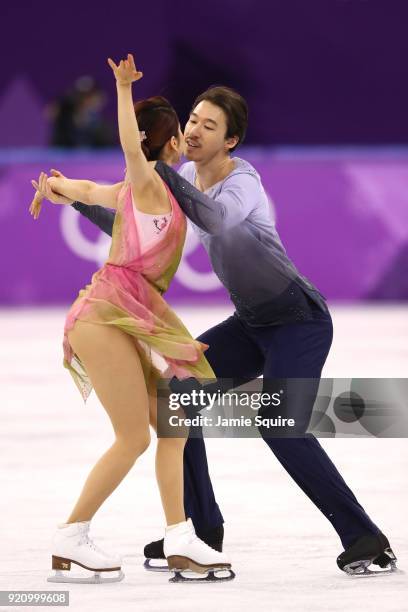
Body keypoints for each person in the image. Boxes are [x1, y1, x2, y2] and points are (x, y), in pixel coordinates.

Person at [51, 83, 397, 577]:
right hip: (251, 323)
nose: (193, 129)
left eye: (208, 125)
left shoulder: (243, 183)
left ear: (230, 141)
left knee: (281, 428)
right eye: (192, 119)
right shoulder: (184, 175)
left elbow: (214, 217)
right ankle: (198, 530)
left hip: (299, 320)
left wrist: (161, 170)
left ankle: (365, 538)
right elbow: (140, 230)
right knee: (176, 400)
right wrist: (78, 201)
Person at [29, 54, 233, 584]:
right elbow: (127, 151)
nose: (189, 138)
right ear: (166, 145)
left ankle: (180, 537)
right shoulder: (146, 183)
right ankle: (70, 537)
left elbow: (88, 191)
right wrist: (122, 90)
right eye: (182, 133)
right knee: (133, 438)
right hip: (105, 315)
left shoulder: (142, 195)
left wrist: (55, 186)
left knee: (173, 426)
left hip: (129, 315)